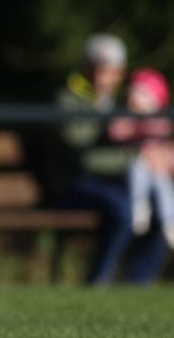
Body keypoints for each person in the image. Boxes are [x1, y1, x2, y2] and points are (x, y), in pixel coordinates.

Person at [53, 35, 167, 283]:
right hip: (77, 183)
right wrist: (136, 157)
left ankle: (138, 284)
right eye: (99, 69)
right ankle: (100, 279)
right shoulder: (70, 98)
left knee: (160, 214)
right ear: (87, 67)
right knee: (123, 210)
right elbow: (82, 156)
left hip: (114, 181)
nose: (103, 77)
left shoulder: (119, 101)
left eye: (111, 71)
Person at [109, 69, 174, 250]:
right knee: (138, 169)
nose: (134, 98)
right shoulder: (125, 117)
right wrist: (133, 119)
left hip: (158, 171)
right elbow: (116, 133)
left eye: (141, 94)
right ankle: (139, 206)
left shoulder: (159, 121)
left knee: (165, 189)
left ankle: (170, 221)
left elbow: (163, 148)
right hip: (138, 169)